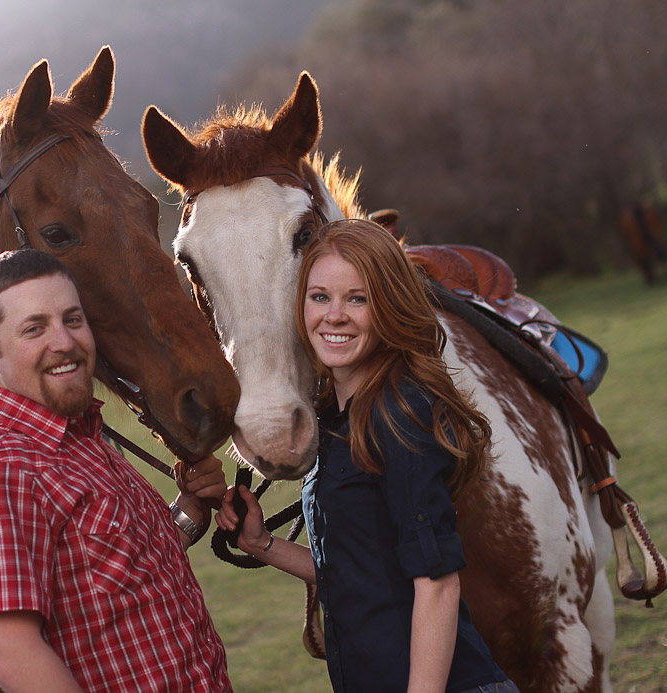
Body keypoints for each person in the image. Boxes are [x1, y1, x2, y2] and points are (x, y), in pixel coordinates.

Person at [216, 219, 518, 693]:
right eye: (320, 297)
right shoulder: (337, 422)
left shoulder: (400, 417)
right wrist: (262, 544)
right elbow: (358, 571)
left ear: (389, 307)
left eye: (357, 298)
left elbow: (437, 584)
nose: (333, 316)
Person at [0, 248, 232, 693]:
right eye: (34, 328)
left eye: (72, 320)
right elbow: (10, 653)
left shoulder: (84, 439)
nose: (64, 342)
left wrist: (191, 509)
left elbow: (123, 570)